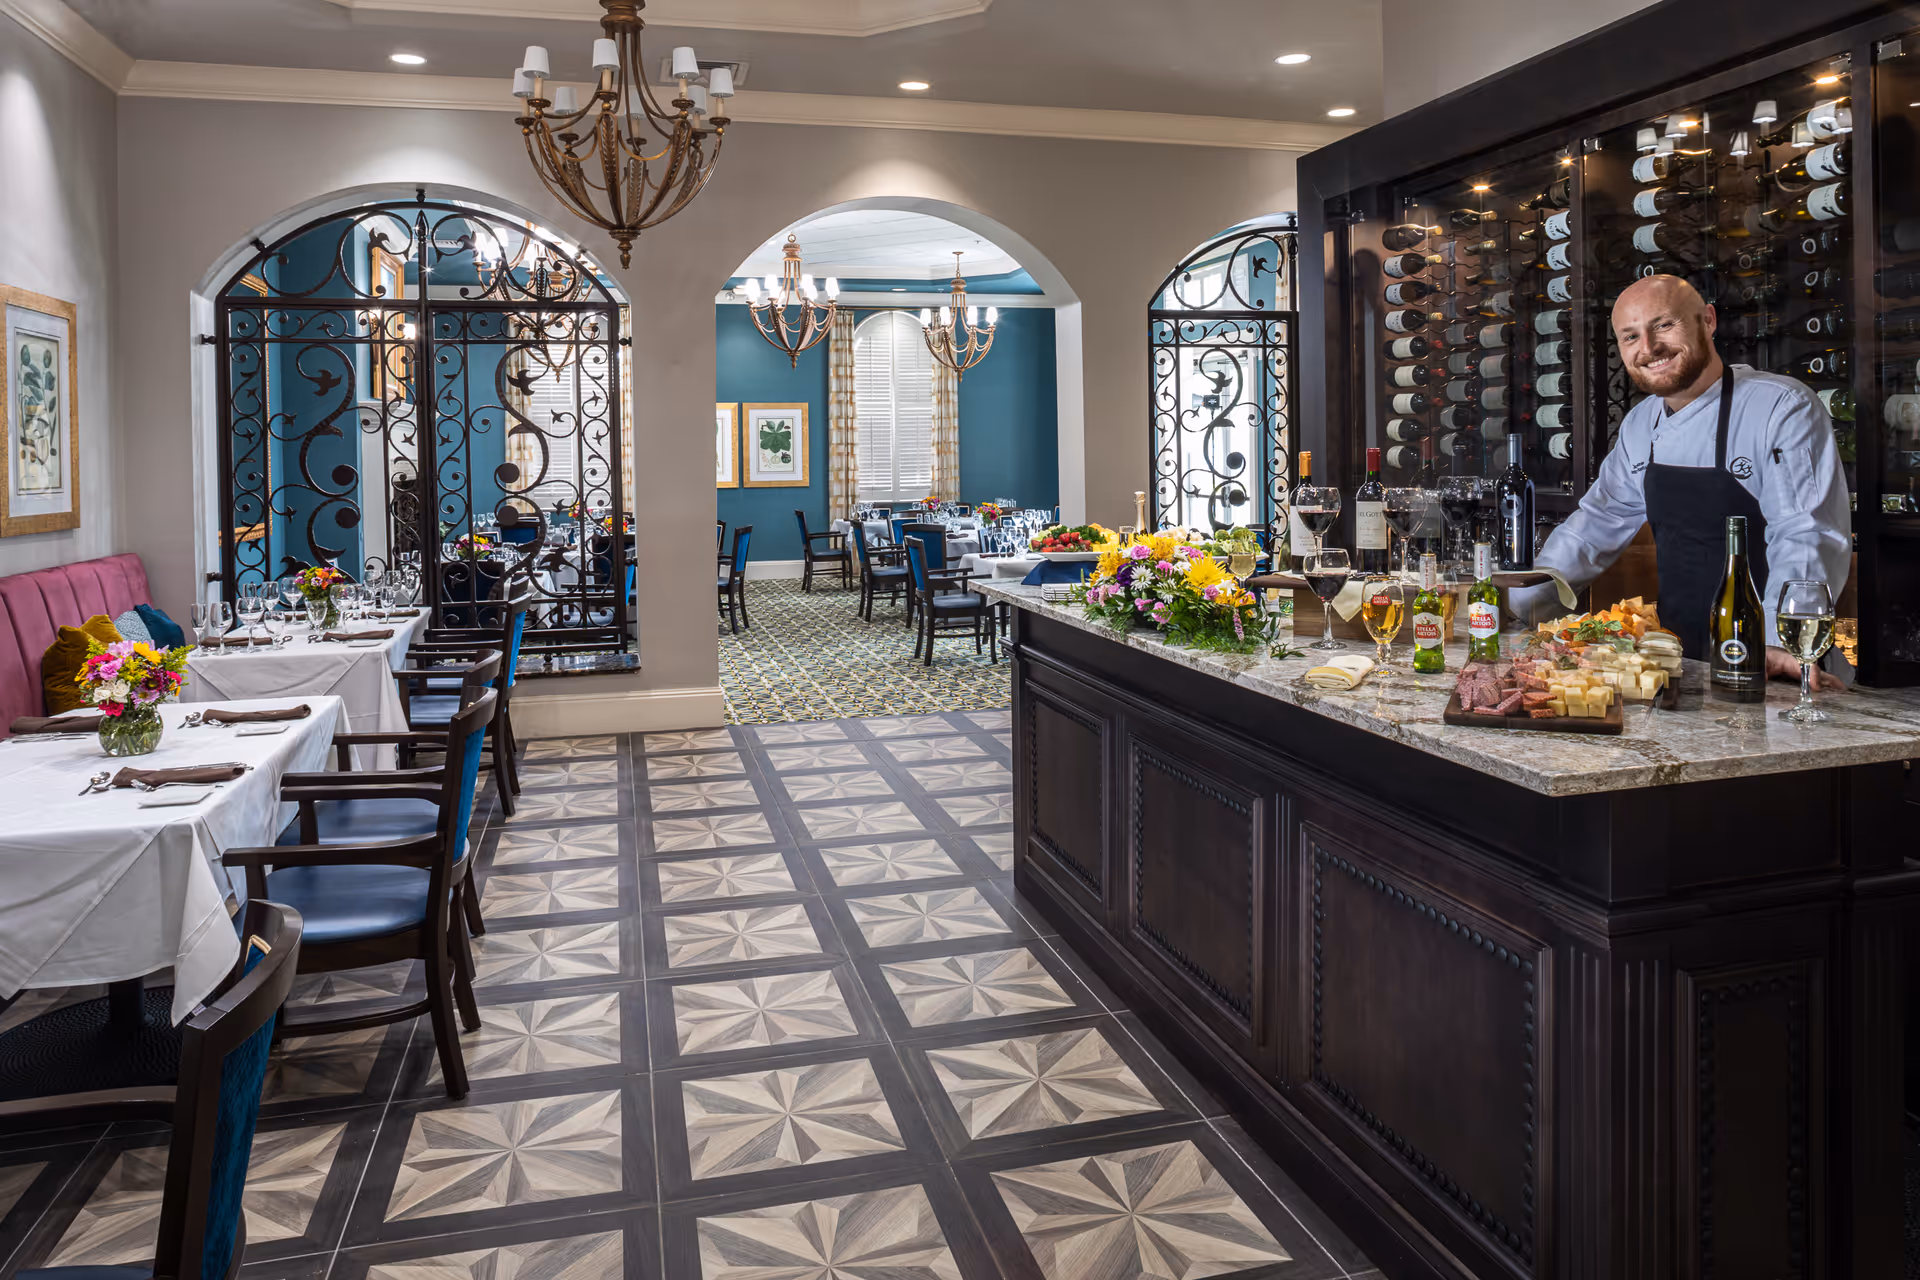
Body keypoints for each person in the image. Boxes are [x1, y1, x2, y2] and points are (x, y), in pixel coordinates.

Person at [1510, 275, 1849, 686]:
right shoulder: (1643, 422)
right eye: (1631, 336)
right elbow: (1595, 524)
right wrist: (1516, 602)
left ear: (1708, 320)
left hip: (1767, 659)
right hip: (1679, 660)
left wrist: (1781, 643)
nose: (1649, 348)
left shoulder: (1780, 406)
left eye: (1664, 325)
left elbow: (1806, 532)